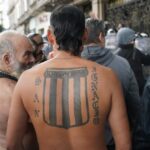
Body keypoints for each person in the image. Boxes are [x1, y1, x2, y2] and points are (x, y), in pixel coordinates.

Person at [6, 5, 131, 150]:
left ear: (50, 36)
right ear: (85, 35)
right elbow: (124, 145)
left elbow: (12, 144)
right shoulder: (108, 77)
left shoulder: (26, 80)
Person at [81, 18, 140, 150]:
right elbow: (135, 106)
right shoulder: (122, 64)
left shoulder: (68, 66)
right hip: (116, 141)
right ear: (102, 36)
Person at [0, 30, 37, 150]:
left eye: (33, 54)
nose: (33, 60)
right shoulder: (18, 92)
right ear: (7, 60)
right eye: (27, 54)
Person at [116, 27, 150, 96]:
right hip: (138, 89)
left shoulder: (116, 54)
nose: (134, 41)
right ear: (128, 40)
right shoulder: (135, 52)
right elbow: (147, 60)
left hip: (121, 90)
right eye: (133, 39)